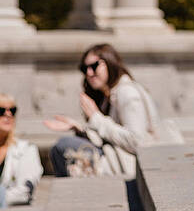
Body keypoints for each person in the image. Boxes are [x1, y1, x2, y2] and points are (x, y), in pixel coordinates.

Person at [45, 43, 159, 208]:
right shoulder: (110, 95)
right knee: (61, 147)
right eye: (85, 69)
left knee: (64, 147)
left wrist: (96, 118)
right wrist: (79, 128)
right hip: (118, 159)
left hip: (132, 165)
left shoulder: (127, 93)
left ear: (110, 62)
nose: (89, 73)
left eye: (94, 66)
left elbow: (137, 141)